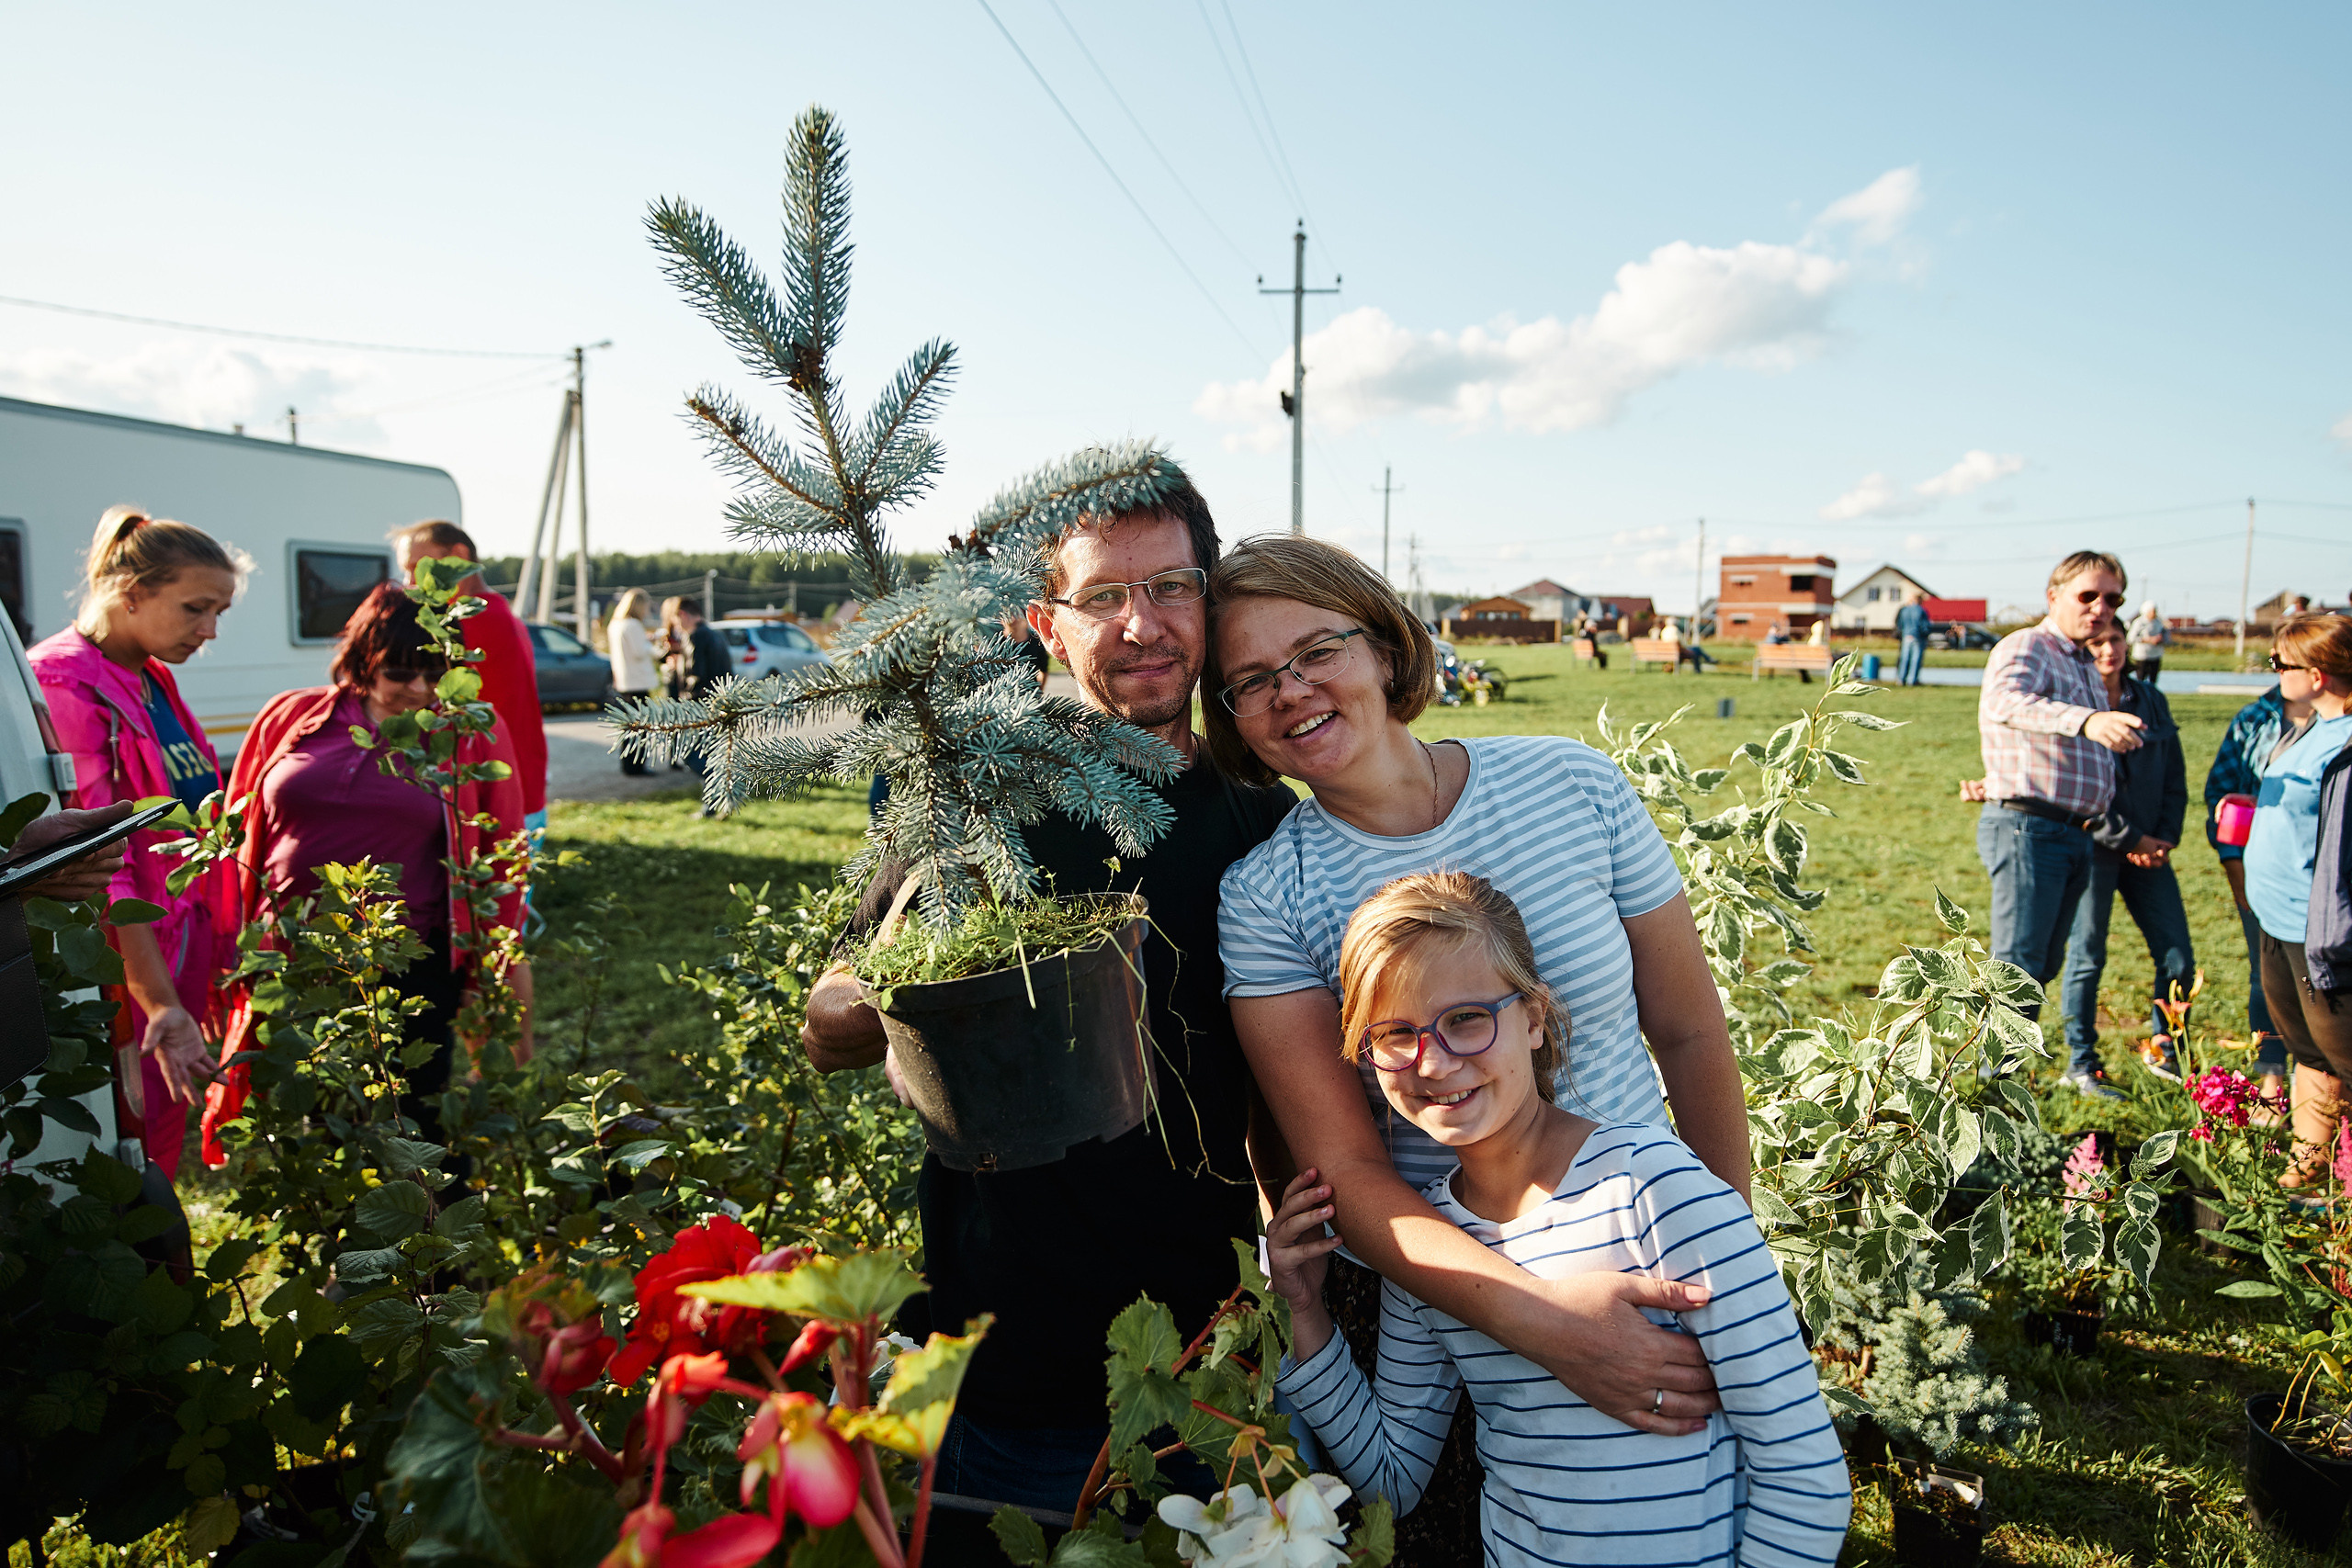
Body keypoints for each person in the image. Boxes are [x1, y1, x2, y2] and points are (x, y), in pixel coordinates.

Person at [797, 471, 1296, 1517]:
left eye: (1169, 587)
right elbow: (847, 986)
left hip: (1205, 1357)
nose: (1142, 625)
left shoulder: (1260, 821)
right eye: (1102, 597)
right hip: (1003, 1367)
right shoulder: (970, 798)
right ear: (1045, 625)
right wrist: (859, 1010)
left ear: (1208, 600)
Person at [1204, 533, 1750, 1471]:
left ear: (1381, 646)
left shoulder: (1571, 784)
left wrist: (1725, 1257)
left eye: (1315, 652)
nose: (1289, 690)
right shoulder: (1265, 897)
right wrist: (1548, 1326)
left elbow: (1690, 1032)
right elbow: (1349, 1172)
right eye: (1251, 680)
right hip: (1452, 1306)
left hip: (1647, 1234)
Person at [1264, 872, 1849, 1565]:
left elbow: (1806, 1480)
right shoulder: (1432, 1251)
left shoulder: (1655, 1191)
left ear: (1535, 1017)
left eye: (1466, 1019)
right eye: (1395, 1034)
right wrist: (1304, 1311)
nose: (1435, 1062)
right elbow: (1392, 1475)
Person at [202, 582, 532, 1168]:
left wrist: (498, 969)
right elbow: (238, 821)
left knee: (410, 1119)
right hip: (294, 957)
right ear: (364, 657)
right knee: (314, 1115)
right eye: (402, 672)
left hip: (408, 962)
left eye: (435, 673)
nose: (420, 689)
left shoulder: (466, 732)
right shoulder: (293, 715)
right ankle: (336, 1244)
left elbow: (502, 854)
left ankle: (426, 1252)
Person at [29, 507, 244, 1179]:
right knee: (128, 1150)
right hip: (127, 971)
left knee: (158, 1136)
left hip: (174, 948)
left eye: (220, 612)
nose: (209, 630)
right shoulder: (67, 683)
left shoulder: (151, 674)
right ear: (131, 592)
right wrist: (160, 1001)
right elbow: (103, 870)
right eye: (195, 608)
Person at [1975, 550, 2145, 1098]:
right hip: (2030, 828)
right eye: (2088, 596)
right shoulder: (2029, 646)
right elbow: (2005, 701)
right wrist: (2089, 720)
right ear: (2054, 596)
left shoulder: (2079, 662)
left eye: (2113, 599)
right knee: (2018, 967)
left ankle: (2004, 1086)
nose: (2101, 608)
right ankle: (1988, 1096)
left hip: (2071, 832)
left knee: (2041, 965)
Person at [2239, 613, 2352, 1187]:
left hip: (2318, 928)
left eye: (2280, 664)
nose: (2273, 673)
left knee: (2344, 1054)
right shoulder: (2306, 727)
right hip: (2275, 917)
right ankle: (2306, 1169)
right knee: (2307, 1049)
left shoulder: (2348, 744)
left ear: (2318, 674)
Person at [2058, 622, 2192, 1088]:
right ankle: (2080, 1062)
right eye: (2097, 642)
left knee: (2177, 957)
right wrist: (2129, 838)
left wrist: (2163, 839)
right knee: (2087, 956)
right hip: (2094, 849)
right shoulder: (2073, 707)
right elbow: (2073, 790)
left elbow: (2174, 774)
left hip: (2151, 851)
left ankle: (2166, 1051)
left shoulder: (2150, 699)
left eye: (2116, 639)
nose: (2109, 649)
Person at [392, 522, 548, 841]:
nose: (409, 583)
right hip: (521, 793)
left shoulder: (468, 620)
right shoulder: (505, 615)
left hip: (487, 804)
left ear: (458, 556)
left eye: (415, 568)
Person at [2204, 680, 2304, 1121]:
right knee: (2269, 975)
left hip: (2325, 876)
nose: (2280, 670)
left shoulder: (2340, 722)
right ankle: (2271, 1078)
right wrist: (2233, 864)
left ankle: (2322, 1087)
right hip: (2262, 871)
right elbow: (2221, 796)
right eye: (2275, 661)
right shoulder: (2254, 719)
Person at [671, 597, 729, 814]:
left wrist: (684, 697)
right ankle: (715, 803)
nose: (677, 626)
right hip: (719, 703)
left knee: (689, 753)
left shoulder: (695, 636)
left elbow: (696, 674)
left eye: (676, 620)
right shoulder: (716, 635)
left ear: (683, 615)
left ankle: (718, 790)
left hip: (699, 705)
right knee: (711, 753)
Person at [607, 589, 658, 775]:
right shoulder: (633, 625)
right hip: (637, 683)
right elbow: (639, 651)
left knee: (627, 728)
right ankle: (637, 766)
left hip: (623, 682)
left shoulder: (615, 624)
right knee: (640, 729)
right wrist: (653, 646)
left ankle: (628, 765)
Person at [1894, 587, 1931, 687]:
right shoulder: (1921, 611)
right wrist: (1926, 634)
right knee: (1916, 659)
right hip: (1917, 636)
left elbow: (1900, 624)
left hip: (1906, 636)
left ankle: (1901, 679)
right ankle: (1912, 680)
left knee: (1904, 658)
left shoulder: (1904, 610)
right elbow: (1924, 626)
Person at [2127, 601, 2168, 683]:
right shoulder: (2139, 622)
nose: (2154, 613)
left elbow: (2166, 636)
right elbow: (2130, 638)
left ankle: (2152, 696)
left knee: (2153, 680)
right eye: (2152, 611)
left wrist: (2161, 639)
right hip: (2142, 656)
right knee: (2140, 679)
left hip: (2155, 655)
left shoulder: (2159, 622)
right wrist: (2147, 639)